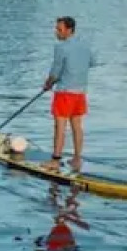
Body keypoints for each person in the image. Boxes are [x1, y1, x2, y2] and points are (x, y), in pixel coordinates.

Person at [42, 16, 97, 170]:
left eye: (59, 29)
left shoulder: (61, 47)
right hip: (80, 93)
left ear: (69, 30)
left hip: (64, 93)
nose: (56, 32)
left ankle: (55, 161)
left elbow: (55, 71)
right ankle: (77, 159)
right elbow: (92, 62)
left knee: (60, 126)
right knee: (77, 126)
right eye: (56, 29)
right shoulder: (85, 45)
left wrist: (48, 84)